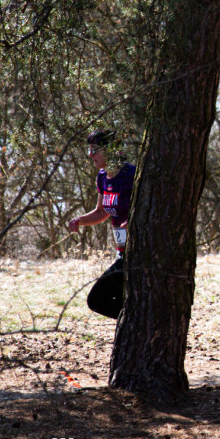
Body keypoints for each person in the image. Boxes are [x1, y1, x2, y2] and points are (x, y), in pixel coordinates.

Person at [65, 129, 136, 319]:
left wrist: (134, 223)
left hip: (139, 254)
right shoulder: (103, 178)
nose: (90, 155)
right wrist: (79, 221)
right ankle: (136, 323)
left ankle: (139, 320)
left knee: (96, 299)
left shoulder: (131, 174)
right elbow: (101, 212)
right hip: (123, 253)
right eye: (89, 150)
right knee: (105, 301)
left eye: (95, 150)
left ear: (111, 150)